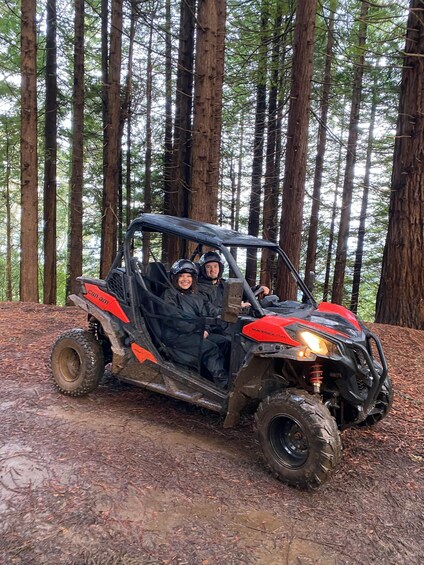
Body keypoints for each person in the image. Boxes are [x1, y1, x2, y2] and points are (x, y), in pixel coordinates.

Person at [161, 259, 229, 389]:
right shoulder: (169, 295)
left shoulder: (196, 295)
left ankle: (212, 376)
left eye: (189, 276)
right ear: (175, 278)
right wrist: (199, 330)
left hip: (197, 332)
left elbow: (207, 314)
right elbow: (174, 320)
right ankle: (223, 386)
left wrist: (207, 329)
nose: (185, 279)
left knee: (225, 342)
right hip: (178, 336)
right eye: (181, 276)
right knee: (211, 349)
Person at [197, 251, 270, 308]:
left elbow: (241, 293)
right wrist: (236, 308)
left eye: (215, 266)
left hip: (227, 322)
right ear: (203, 269)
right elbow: (209, 310)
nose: (213, 270)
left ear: (220, 268)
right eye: (208, 267)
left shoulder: (223, 284)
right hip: (210, 324)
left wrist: (258, 288)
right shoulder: (199, 288)